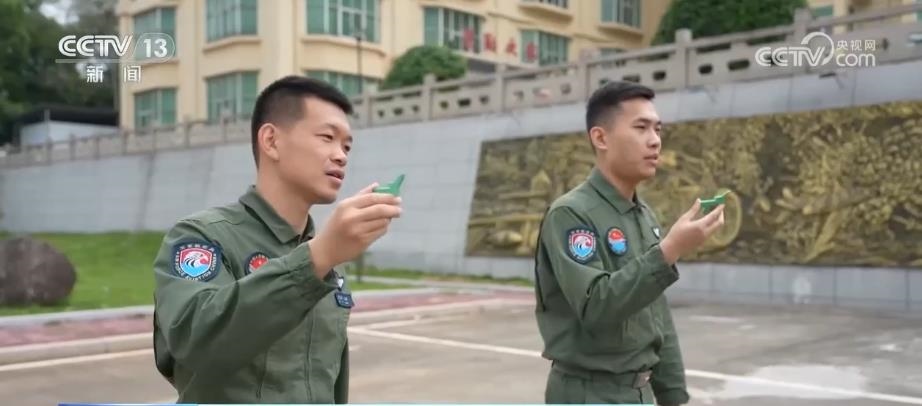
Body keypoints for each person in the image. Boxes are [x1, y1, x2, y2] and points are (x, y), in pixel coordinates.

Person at [151, 76, 402, 403]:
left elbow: (331, 383)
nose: (341, 155)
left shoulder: (328, 263)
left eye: (347, 146)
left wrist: (321, 256)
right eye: (327, 137)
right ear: (271, 141)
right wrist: (316, 258)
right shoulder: (203, 237)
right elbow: (194, 342)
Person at [533, 81, 725, 405]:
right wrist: (669, 250)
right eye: (641, 128)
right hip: (589, 393)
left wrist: (674, 396)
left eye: (658, 129)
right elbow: (596, 306)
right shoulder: (571, 214)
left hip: (640, 392)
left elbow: (656, 315)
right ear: (601, 138)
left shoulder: (643, 215)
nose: (655, 140)